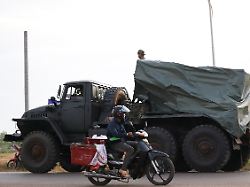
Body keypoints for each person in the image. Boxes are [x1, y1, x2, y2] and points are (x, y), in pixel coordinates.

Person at [106, 105, 137, 177]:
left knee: (137, 144)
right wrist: (126, 134)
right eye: (123, 113)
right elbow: (116, 135)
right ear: (118, 114)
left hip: (121, 141)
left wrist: (135, 134)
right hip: (114, 143)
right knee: (130, 149)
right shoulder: (112, 124)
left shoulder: (120, 123)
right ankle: (123, 169)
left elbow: (124, 133)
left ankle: (128, 162)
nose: (124, 115)